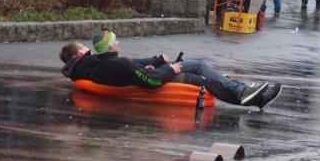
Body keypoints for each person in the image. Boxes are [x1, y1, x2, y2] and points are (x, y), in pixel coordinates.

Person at [59, 39, 283, 110]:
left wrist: (157, 61)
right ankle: (247, 95)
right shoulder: (102, 64)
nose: (87, 47)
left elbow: (131, 66)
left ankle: (250, 94)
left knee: (198, 65)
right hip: (159, 78)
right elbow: (150, 81)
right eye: (83, 46)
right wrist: (170, 69)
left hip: (151, 73)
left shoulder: (90, 66)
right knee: (203, 78)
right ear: (79, 53)